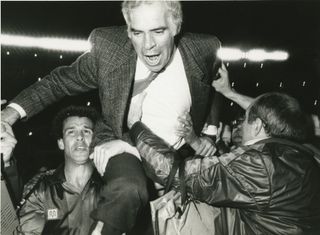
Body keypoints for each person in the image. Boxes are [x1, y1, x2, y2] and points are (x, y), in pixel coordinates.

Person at [1, 1, 222, 234]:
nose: (148, 46)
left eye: (158, 31)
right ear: (128, 31)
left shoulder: (204, 49)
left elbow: (215, 82)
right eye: (137, 33)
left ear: (176, 27)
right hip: (122, 145)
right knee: (128, 189)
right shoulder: (109, 52)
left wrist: (210, 130)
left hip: (174, 157)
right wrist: (8, 114)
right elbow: (59, 82)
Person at [127, 67, 320, 234]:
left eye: (244, 119)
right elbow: (269, 114)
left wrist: (136, 126)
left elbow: (176, 173)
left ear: (258, 126)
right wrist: (229, 93)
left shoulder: (261, 163)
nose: (241, 125)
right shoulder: (304, 158)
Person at [3, 105, 104, 234]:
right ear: (61, 143)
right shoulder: (40, 188)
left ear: (95, 140)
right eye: (71, 131)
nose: (80, 137)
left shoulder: (113, 184)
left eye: (87, 131)